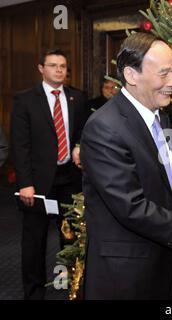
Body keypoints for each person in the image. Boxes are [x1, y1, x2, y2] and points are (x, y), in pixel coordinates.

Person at [80, 32, 172, 300]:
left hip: (159, 263)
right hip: (124, 275)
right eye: (164, 74)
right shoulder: (105, 127)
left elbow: (160, 189)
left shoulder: (161, 118)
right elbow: (131, 206)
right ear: (131, 75)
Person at [11, 49, 87, 300]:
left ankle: (71, 289)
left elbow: (84, 131)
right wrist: (25, 183)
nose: (58, 70)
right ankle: (33, 294)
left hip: (70, 179)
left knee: (71, 238)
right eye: (53, 65)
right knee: (35, 242)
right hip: (37, 183)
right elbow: (20, 145)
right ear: (41, 68)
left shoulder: (78, 97)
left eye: (63, 66)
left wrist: (78, 145)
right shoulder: (25, 100)